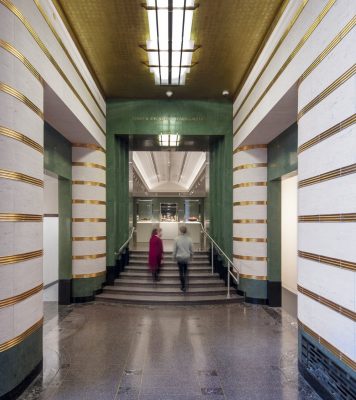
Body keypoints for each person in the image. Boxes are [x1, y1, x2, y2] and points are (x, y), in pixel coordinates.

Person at [173, 225, 193, 292]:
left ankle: (183, 286)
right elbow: (191, 250)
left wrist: (173, 257)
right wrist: (192, 256)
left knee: (181, 272)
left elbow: (175, 250)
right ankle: (185, 283)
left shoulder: (176, 239)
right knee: (185, 270)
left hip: (180, 257)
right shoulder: (189, 239)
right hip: (186, 257)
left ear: (180, 231)